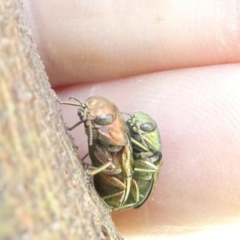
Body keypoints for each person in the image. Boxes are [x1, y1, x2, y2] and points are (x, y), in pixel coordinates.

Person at [23, 1, 240, 238]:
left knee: (133, 174)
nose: (133, 126)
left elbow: (146, 162)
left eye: (141, 127)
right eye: (135, 124)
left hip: (135, 188)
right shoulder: (124, 135)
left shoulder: (148, 156)